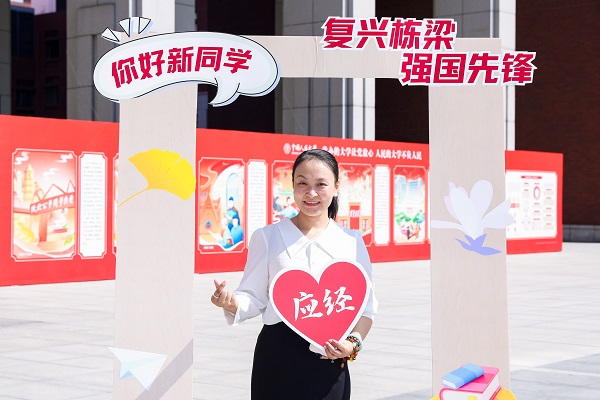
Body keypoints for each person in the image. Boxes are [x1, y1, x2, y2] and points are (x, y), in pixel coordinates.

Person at [211, 149, 377, 400]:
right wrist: (231, 302)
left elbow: (366, 309)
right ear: (292, 185)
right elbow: (253, 297)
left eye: (321, 184)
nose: (311, 193)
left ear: (336, 187)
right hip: (278, 359)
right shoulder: (268, 237)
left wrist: (351, 344)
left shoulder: (351, 241)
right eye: (302, 183)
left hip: (330, 358)